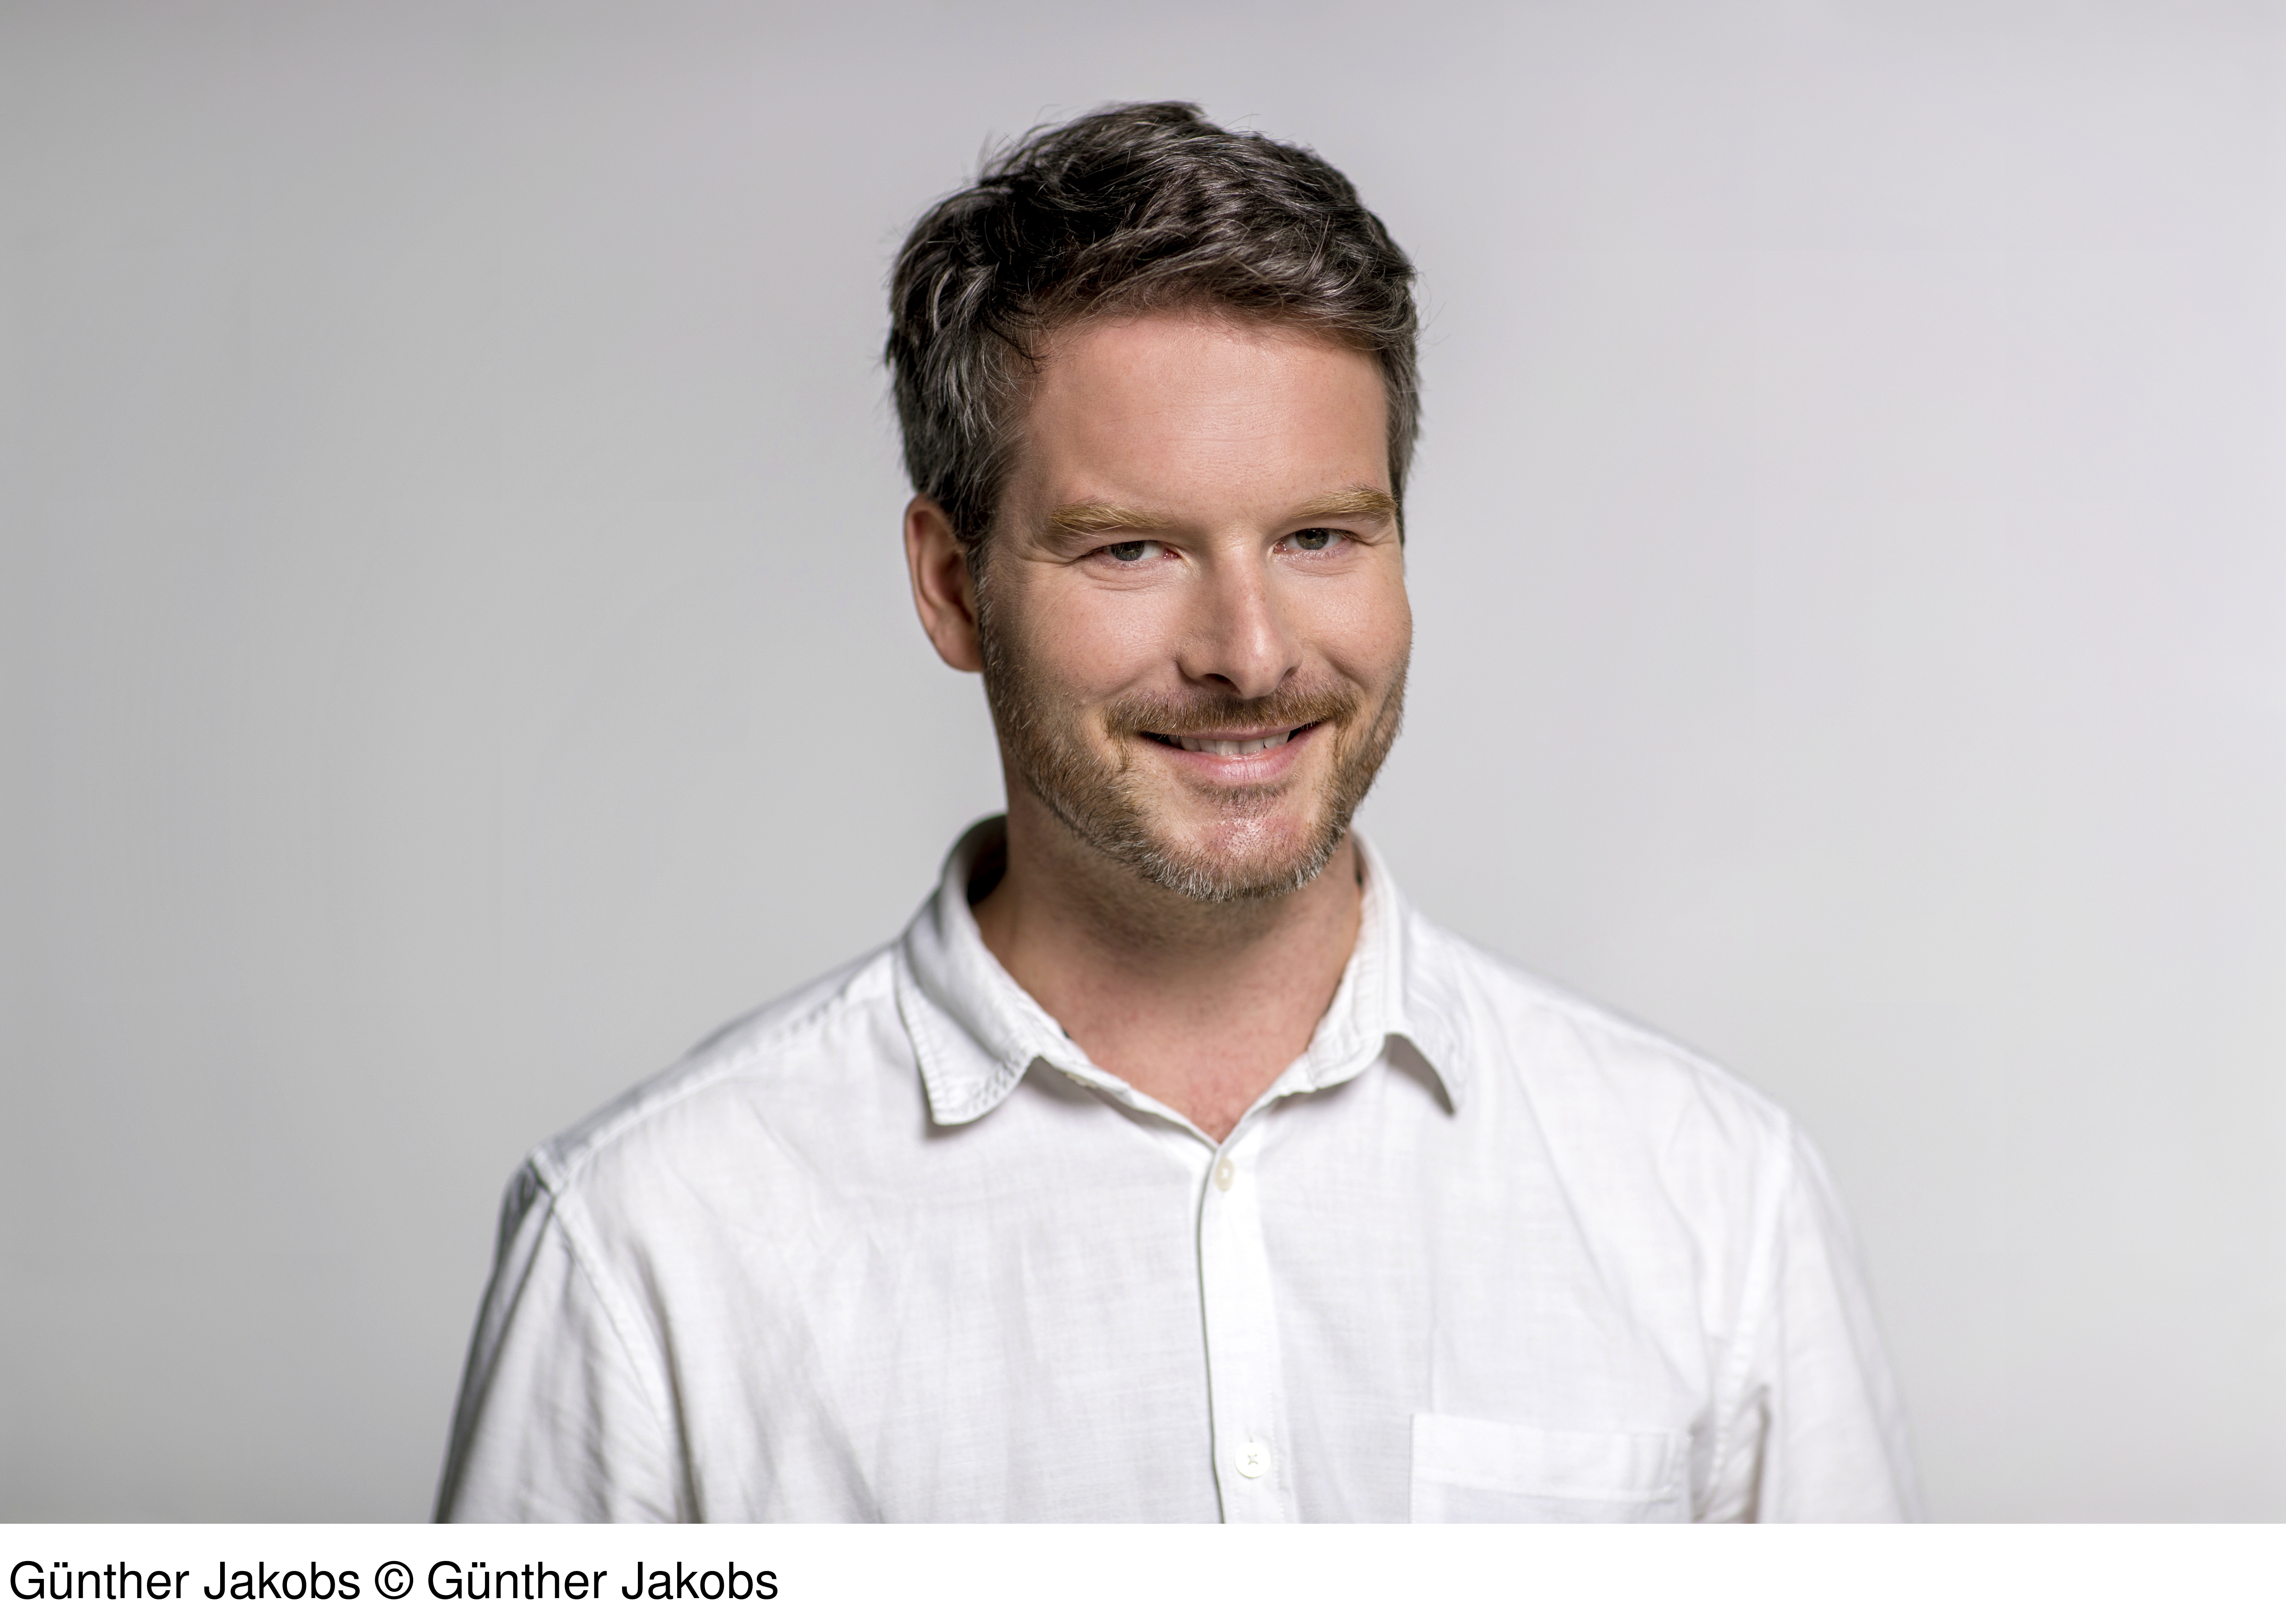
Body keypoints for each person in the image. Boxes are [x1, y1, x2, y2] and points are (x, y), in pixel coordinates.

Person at [435, 102, 1919, 1523]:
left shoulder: (1714, 1198)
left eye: (1320, 536)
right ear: (953, 587)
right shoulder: (649, 1245)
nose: (1252, 656)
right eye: (1133, 549)